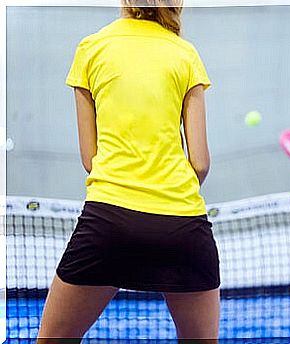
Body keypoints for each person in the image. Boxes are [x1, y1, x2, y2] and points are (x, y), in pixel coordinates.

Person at [37, 0, 220, 342]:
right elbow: (200, 162)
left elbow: (90, 158)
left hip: (108, 221)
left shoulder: (91, 48)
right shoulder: (185, 54)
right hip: (183, 225)